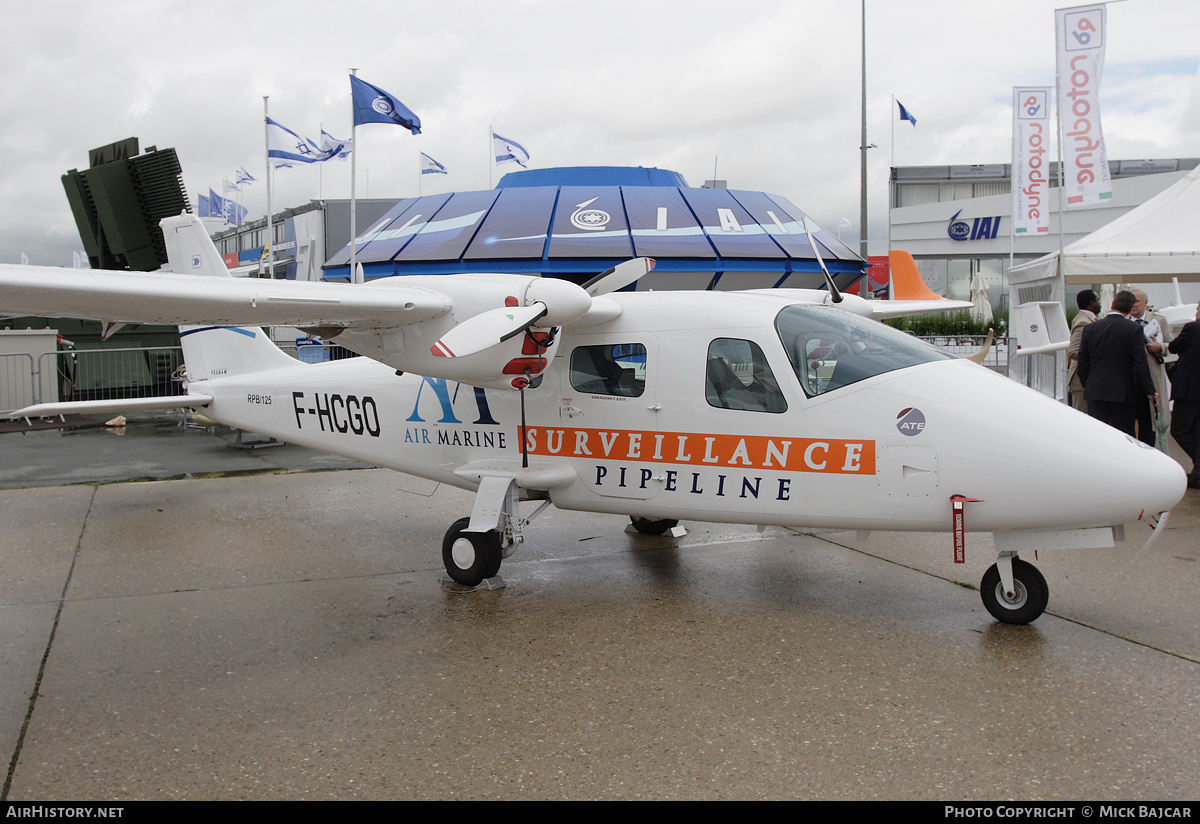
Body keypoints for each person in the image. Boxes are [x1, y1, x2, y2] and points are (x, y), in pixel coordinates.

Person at [1077, 290, 1157, 437]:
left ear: (1113, 304)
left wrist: (1088, 384)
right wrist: (1150, 390)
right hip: (1122, 391)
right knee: (1124, 434)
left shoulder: (1090, 328)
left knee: (1098, 434)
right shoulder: (1133, 329)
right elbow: (1141, 363)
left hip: (1095, 390)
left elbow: (1082, 361)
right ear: (1129, 308)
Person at [1130, 288, 1173, 446]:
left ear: (1145, 303)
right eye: (1131, 301)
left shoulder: (1159, 321)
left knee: (1149, 423)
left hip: (1151, 379)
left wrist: (1159, 347)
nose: (1133, 305)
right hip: (1131, 379)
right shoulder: (1125, 322)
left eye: (1137, 301)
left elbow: (1171, 346)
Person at [1168, 302, 1200, 489]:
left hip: (1189, 389)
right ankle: (1197, 470)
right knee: (1197, 431)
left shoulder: (1193, 328)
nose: (1195, 312)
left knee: (1178, 429)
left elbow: (1173, 347)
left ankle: (1199, 466)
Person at [1067, 289, 1100, 413]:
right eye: (1098, 301)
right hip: (1080, 379)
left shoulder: (1088, 320)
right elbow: (1073, 351)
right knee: (1083, 414)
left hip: (1086, 378)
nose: (1100, 304)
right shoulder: (1083, 322)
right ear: (1092, 303)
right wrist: (1096, 354)